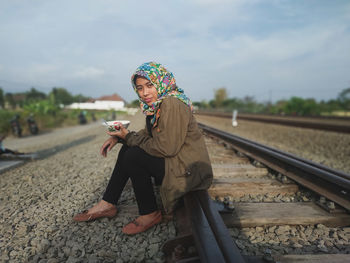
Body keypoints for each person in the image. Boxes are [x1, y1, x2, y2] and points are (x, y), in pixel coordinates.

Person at [73, 62, 213, 235]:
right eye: (139, 88)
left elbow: (166, 148)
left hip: (188, 171)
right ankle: (107, 203)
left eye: (149, 85)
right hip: (178, 161)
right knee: (128, 149)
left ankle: (150, 213)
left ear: (162, 82)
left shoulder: (171, 103)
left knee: (134, 156)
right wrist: (120, 137)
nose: (145, 93)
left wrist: (128, 137)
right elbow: (147, 134)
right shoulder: (160, 104)